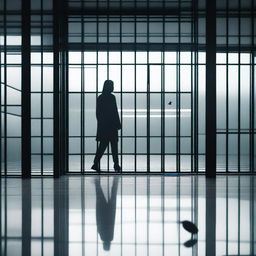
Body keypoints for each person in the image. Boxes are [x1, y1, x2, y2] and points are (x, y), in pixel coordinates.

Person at [91, 80, 121, 172]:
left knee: (102, 146)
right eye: (112, 85)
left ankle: (96, 163)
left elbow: (98, 114)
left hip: (104, 127)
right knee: (114, 147)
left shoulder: (100, 98)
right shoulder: (112, 97)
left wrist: (102, 124)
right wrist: (118, 124)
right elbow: (114, 112)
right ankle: (116, 165)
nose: (113, 87)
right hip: (112, 127)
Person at [94, 176, 119, 251]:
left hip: (110, 213)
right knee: (99, 195)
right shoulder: (102, 237)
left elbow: (111, 224)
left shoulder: (111, 237)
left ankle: (115, 181)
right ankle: (97, 182)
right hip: (102, 214)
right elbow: (99, 225)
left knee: (113, 195)